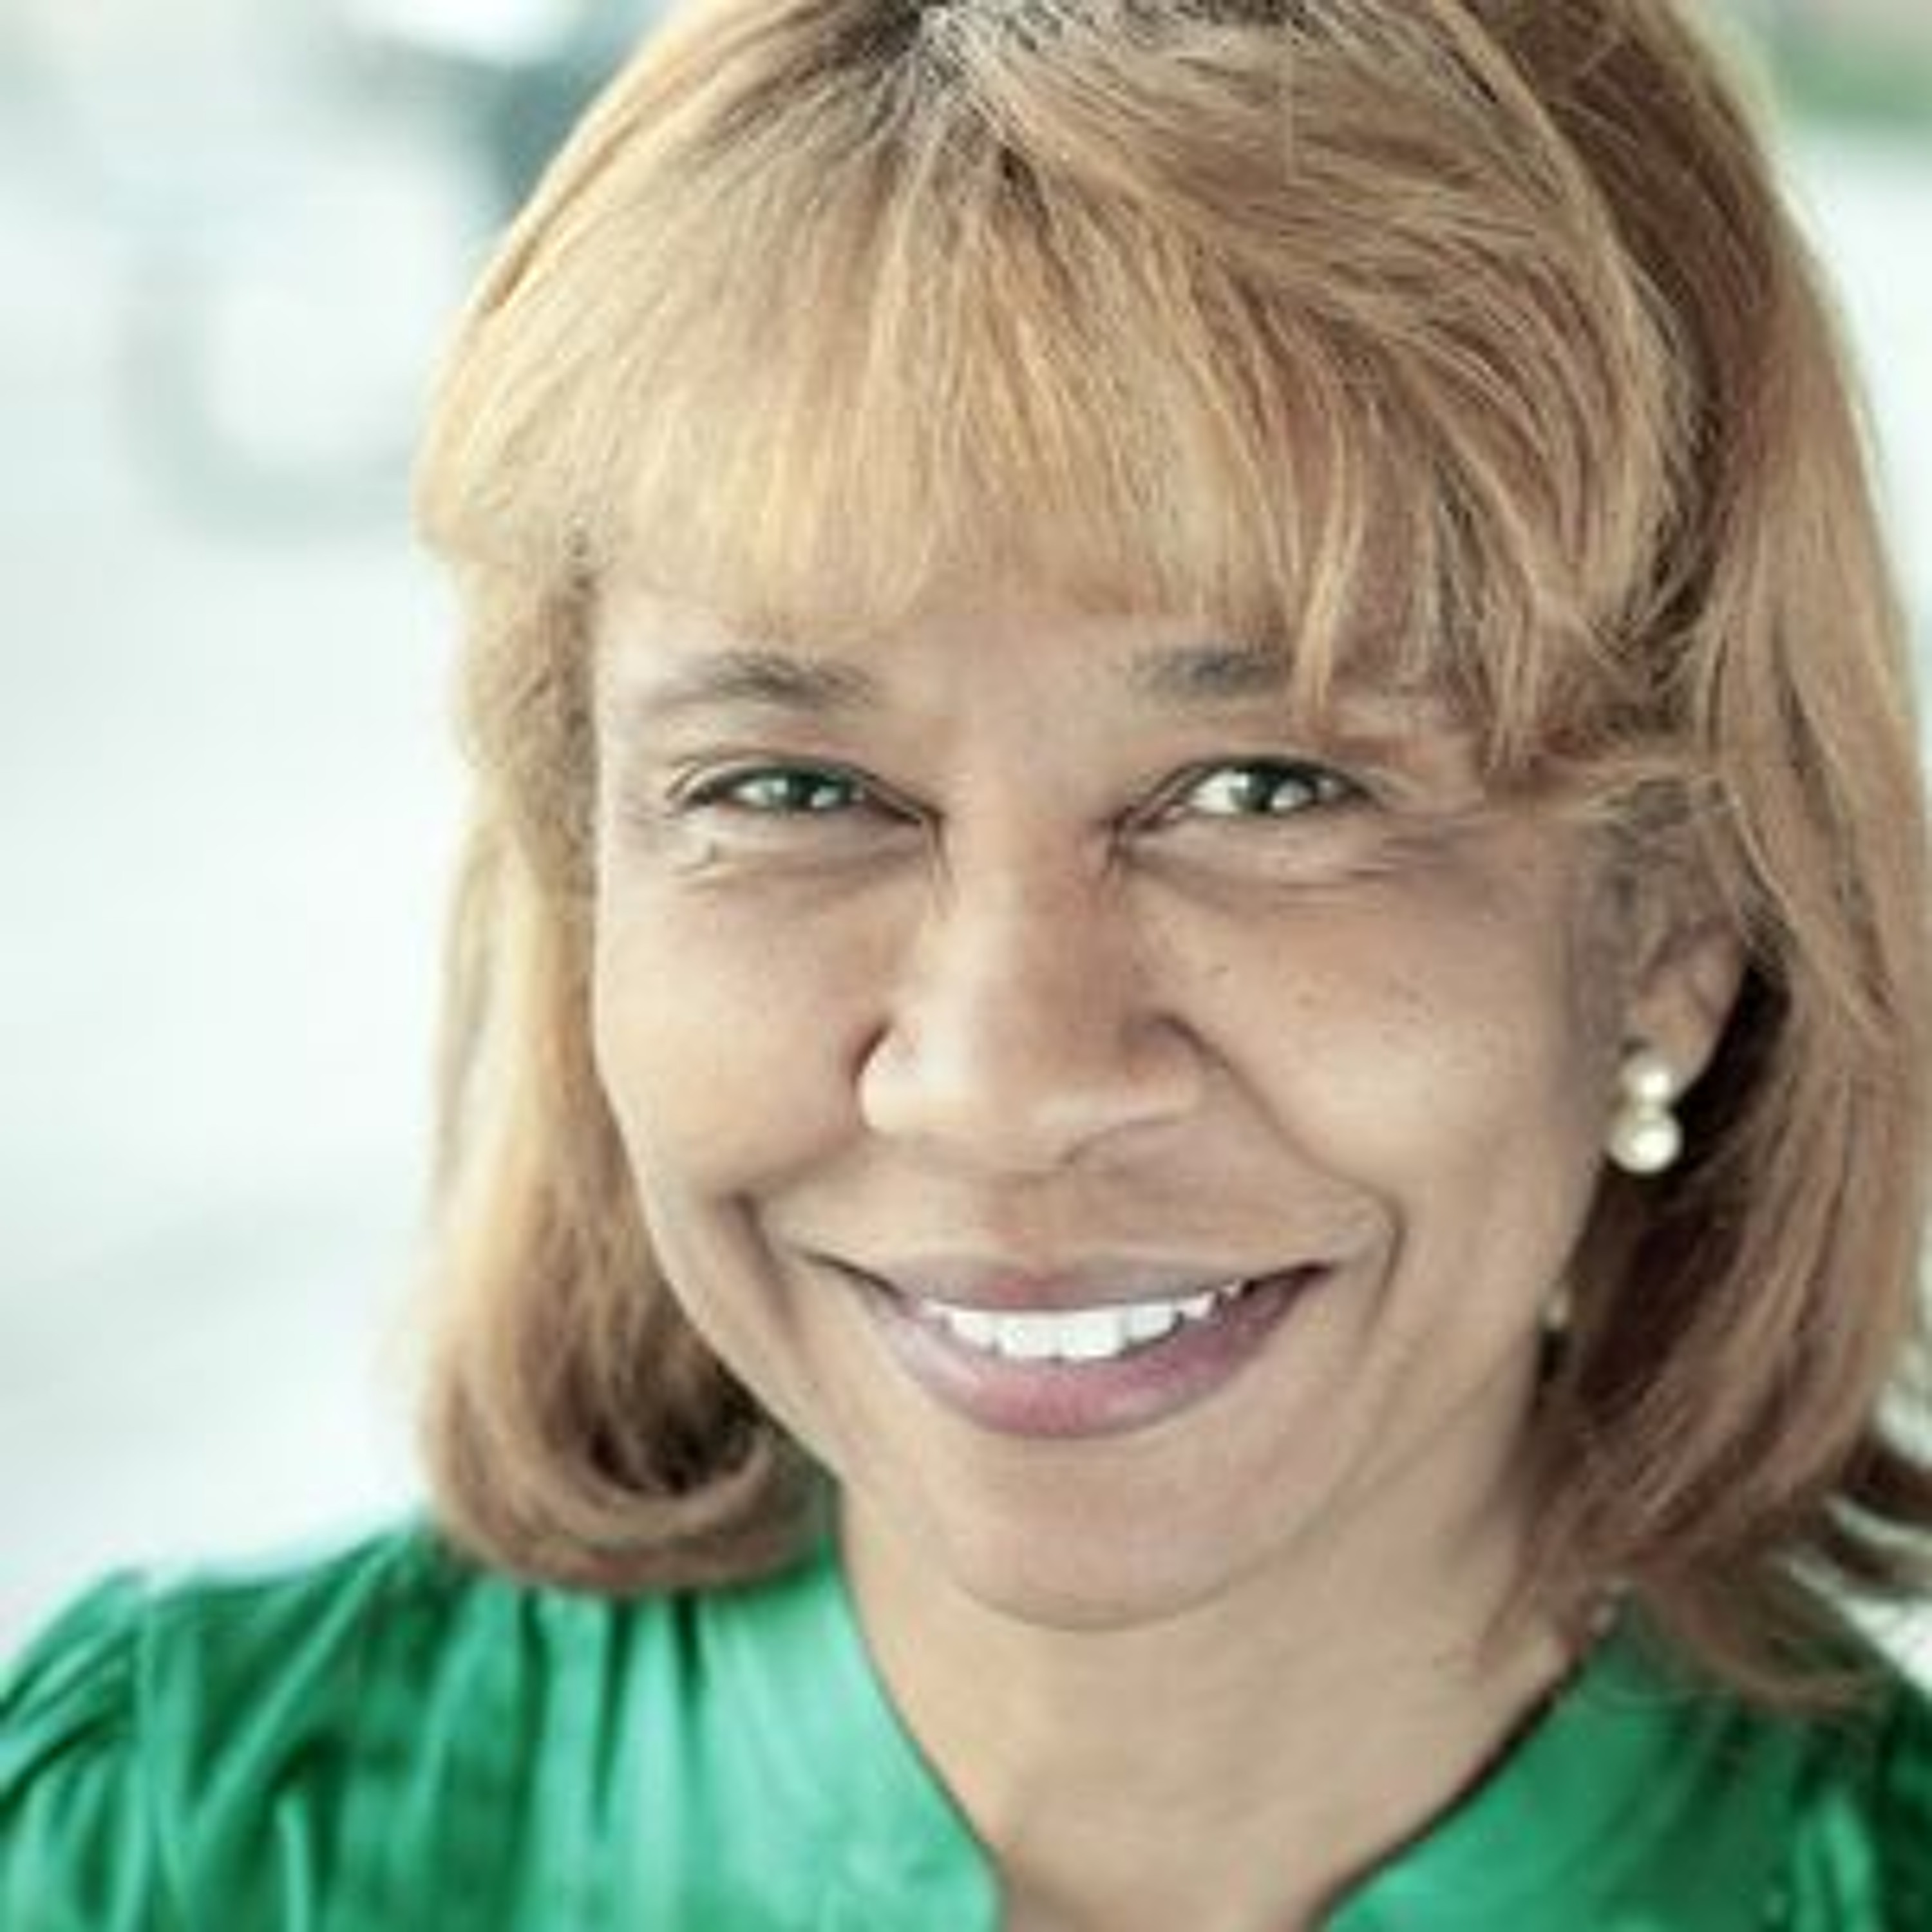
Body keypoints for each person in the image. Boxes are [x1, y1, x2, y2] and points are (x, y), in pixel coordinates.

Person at [6, 0, 1932, 1924]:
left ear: (1676, 917)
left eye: (1266, 788)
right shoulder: (162, 1852)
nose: (1001, 1087)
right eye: (789, 787)